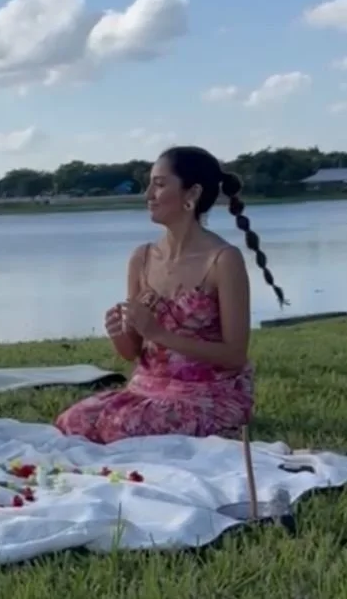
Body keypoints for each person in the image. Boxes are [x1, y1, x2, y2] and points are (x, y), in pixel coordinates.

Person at [55, 146, 286, 445]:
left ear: (192, 194)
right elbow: (134, 352)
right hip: (147, 389)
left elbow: (234, 355)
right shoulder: (142, 258)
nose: (148, 194)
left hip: (207, 394)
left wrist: (158, 332)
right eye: (150, 183)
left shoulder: (222, 260)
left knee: (119, 428)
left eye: (160, 184)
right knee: (72, 421)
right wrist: (120, 334)